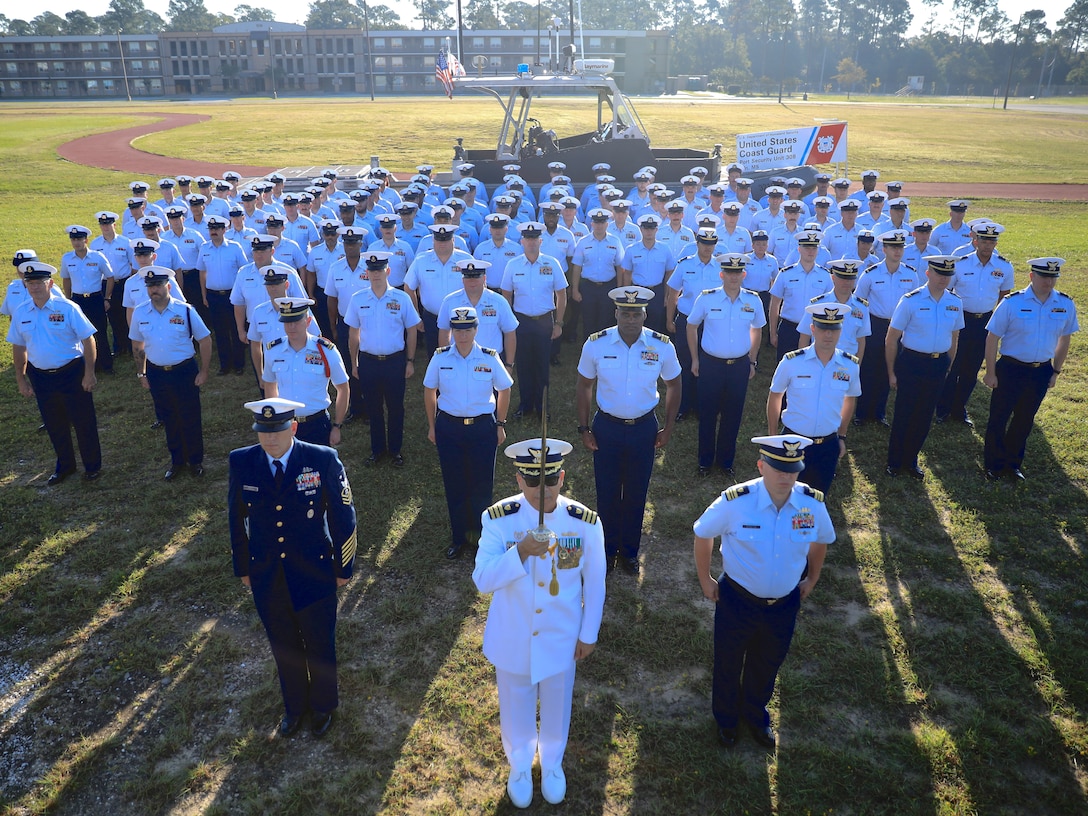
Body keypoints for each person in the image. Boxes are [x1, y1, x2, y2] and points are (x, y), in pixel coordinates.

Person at [472, 438, 605, 808]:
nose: (542, 490)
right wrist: (521, 552)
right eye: (533, 482)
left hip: (561, 637)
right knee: (515, 704)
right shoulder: (499, 519)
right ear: (518, 480)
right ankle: (518, 764)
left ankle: (552, 763)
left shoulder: (584, 522)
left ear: (562, 477)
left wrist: (588, 633)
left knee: (557, 701)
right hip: (513, 635)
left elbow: (595, 581)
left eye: (550, 480)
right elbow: (482, 580)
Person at [692, 434, 834, 751]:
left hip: (784, 605)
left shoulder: (811, 503)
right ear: (760, 466)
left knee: (767, 663)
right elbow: (702, 535)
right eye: (778, 469)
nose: (786, 477)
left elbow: (820, 540)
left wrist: (811, 579)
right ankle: (727, 720)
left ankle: (756, 715)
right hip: (737, 601)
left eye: (793, 469)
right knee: (728, 663)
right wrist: (706, 580)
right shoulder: (736, 501)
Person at [228, 397, 357, 739]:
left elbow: (344, 517)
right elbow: (235, 518)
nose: (269, 439)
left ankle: (324, 705)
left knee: (319, 642)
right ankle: (295, 706)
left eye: (278, 431)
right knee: (283, 644)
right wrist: (243, 567)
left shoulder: (321, 459)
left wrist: (344, 566)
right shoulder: (242, 462)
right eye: (263, 432)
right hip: (267, 573)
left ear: (294, 427)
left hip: (314, 571)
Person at [576, 286, 681, 574]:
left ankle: (630, 552)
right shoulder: (596, 344)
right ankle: (607, 551)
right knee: (607, 492)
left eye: (636, 313)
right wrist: (584, 428)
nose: (631, 319)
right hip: (606, 428)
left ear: (645, 314)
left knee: (636, 492)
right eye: (625, 313)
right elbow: (584, 385)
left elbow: (674, 384)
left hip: (644, 429)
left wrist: (669, 427)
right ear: (616, 313)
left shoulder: (661, 346)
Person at [424, 306, 514, 560]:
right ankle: (459, 538)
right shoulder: (440, 357)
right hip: (449, 428)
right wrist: (432, 425)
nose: (462, 335)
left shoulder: (489, 357)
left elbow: (504, 389)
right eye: (458, 330)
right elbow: (429, 390)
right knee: (455, 484)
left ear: (476, 329)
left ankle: (480, 539)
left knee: (481, 486)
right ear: (451, 331)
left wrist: (501, 423)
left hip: (482, 428)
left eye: (467, 329)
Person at [983, 257, 1079, 481]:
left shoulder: (1064, 304)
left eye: (1053, 277)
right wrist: (990, 372)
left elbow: (1065, 339)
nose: (1049, 282)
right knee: (999, 417)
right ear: (1031, 276)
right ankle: (993, 464)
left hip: (1040, 372)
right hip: (1010, 369)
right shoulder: (1011, 303)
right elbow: (992, 337)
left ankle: (1013, 464)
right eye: (1044, 276)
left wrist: (1055, 371)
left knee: (1024, 420)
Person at [6, 261, 102, 484]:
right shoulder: (21, 312)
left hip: (71, 373)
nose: (34, 286)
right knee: (54, 423)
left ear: (50, 283)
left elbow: (88, 339)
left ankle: (92, 466)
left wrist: (89, 372)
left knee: (83, 421)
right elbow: (18, 347)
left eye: (39, 282)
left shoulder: (67, 308)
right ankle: (65, 466)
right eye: (30, 282)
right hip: (40, 376)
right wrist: (21, 378)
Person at [686, 253, 766, 478]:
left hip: (739, 365)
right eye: (729, 273)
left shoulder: (753, 300)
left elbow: (757, 330)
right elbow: (691, 326)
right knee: (707, 414)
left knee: (733, 414)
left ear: (744, 274)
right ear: (721, 274)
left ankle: (725, 461)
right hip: (711, 365)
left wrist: (752, 360)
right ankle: (704, 461)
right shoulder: (706, 298)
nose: (733, 277)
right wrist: (695, 358)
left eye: (738, 273)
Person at [885, 256, 964, 479]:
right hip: (912, 363)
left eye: (947, 275)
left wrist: (948, 365)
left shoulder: (955, 302)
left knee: (925, 414)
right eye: (939, 274)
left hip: (938, 364)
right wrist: (891, 371)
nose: (943, 279)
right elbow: (891, 339)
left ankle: (911, 459)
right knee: (904, 413)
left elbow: (954, 337)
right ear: (928, 273)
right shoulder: (911, 300)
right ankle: (894, 460)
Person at [767, 304, 860, 494]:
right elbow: (775, 396)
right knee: (786, 497)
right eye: (823, 329)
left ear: (840, 331)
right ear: (812, 329)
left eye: (834, 330)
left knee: (817, 499)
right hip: (794, 443)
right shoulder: (792, 362)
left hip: (828, 445)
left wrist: (842, 435)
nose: (828, 335)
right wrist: (773, 436)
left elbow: (850, 400)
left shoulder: (850, 365)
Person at [129, 266, 212, 480]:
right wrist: (142, 373)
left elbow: (205, 339)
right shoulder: (140, 312)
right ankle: (177, 461)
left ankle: (195, 461)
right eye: (150, 286)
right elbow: (137, 344)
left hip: (184, 371)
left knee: (190, 417)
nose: (153, 289)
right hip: (157, 373)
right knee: (169, 417)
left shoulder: (185, 310)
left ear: (168, 286)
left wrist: (203, 370)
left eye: (157, 285)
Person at [345, 252, 422, 467]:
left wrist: (410, 360)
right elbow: (353, 334)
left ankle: (395, 450)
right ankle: (377, 450)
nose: (376, 274)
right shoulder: (358, 299)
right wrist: (354, 362)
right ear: (366, 273)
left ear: (387, 271)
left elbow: (412, 330)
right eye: (372, 270)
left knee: (396, 407)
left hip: (395, 361)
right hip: (368, 361)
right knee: (373, 408)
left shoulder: (401, 298)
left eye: (379, 270)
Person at [936, 222, 1014, 426]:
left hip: (985, 323)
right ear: (975, 240)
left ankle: (958, 409)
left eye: (992, 240)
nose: (988, 244)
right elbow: (948, 293)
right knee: (953, 365)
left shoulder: (1004, 266)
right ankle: (942, 409)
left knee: (971, 369)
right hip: (960, 321)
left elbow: (1004, 296)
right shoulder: (961, 263)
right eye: (984, 240)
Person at [262, 297, 349, 448]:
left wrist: (337, 426)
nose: (292, 327)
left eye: (296, 321)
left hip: (317, 424)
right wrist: (275, 420)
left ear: (308, 322)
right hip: (286, 424)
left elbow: (343, 387)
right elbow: (270, 385)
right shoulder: (273, 351)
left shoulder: (326, 351)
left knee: (318, 470)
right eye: (288, 322)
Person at [501, 222, 567, 419]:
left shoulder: (552, 263)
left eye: (534, 239)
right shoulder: (513, 265)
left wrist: (559, 323)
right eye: (527, 239)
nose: (530, 243)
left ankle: (542, 407)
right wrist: (508, 322)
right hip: (521, 321)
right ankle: (525, 405)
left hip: (545, 321)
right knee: (523, 364)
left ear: (540, 241)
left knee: (541, 365)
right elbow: (506, 294)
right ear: (522, 241)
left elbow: (562, 295)